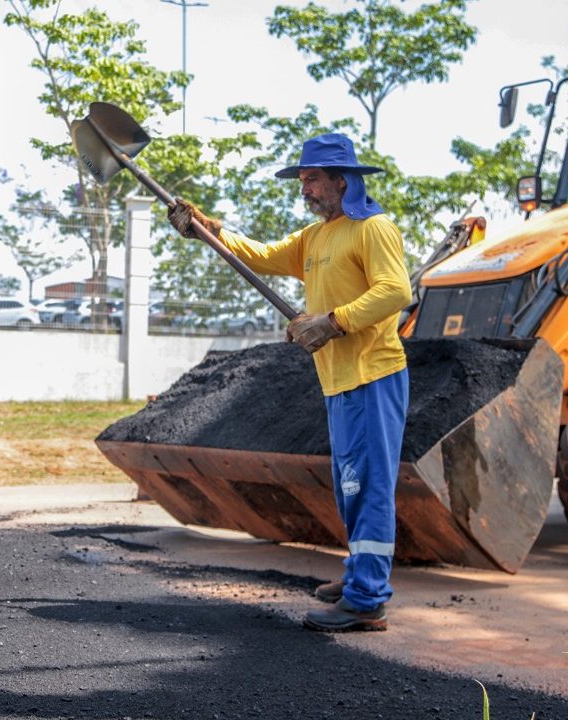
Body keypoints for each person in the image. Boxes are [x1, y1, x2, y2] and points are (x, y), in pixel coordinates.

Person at [168, 133, 412, 632]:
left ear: (344, 180)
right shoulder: (314, 238)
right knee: (351, 488)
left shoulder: (373, 229)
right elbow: (259, 256)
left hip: (373, 375)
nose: (305, 190)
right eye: (302, 181)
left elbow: (396, 292)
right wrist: (207, 230)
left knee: (369, 488)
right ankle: (359, 574)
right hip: (338, 379)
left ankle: (368, 600)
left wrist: (333, 322)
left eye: (313, 180)